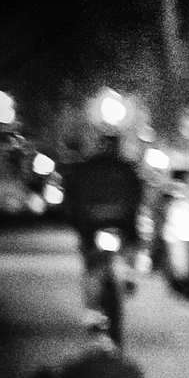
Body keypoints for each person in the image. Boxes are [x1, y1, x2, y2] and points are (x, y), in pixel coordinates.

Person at [58, 128, 145, 347]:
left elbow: (71, 199)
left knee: (93, 266)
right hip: (113, 227)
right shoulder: (125, 169)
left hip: (99, 227)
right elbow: (138, 199)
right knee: (107, 259)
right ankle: (128, 278)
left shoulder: (87, 169)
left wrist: (76, 221)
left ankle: (94, 309)